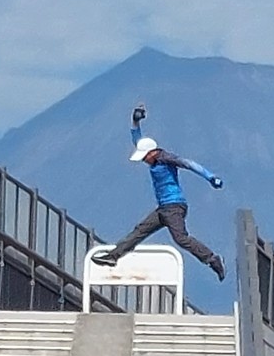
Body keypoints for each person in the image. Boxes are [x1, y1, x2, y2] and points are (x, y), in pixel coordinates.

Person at [91, 103, 227, 282]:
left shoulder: (165, 158)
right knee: (140, 230)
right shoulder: (152, 158)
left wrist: (210, 177)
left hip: (174, 207)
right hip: (163, 208)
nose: (143, 161)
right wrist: (135, 121)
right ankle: (113, 256)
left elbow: (189, 164)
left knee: (181, 238)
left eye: (144, 157)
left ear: (152, 153)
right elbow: (136, 139)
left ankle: (212, 259)